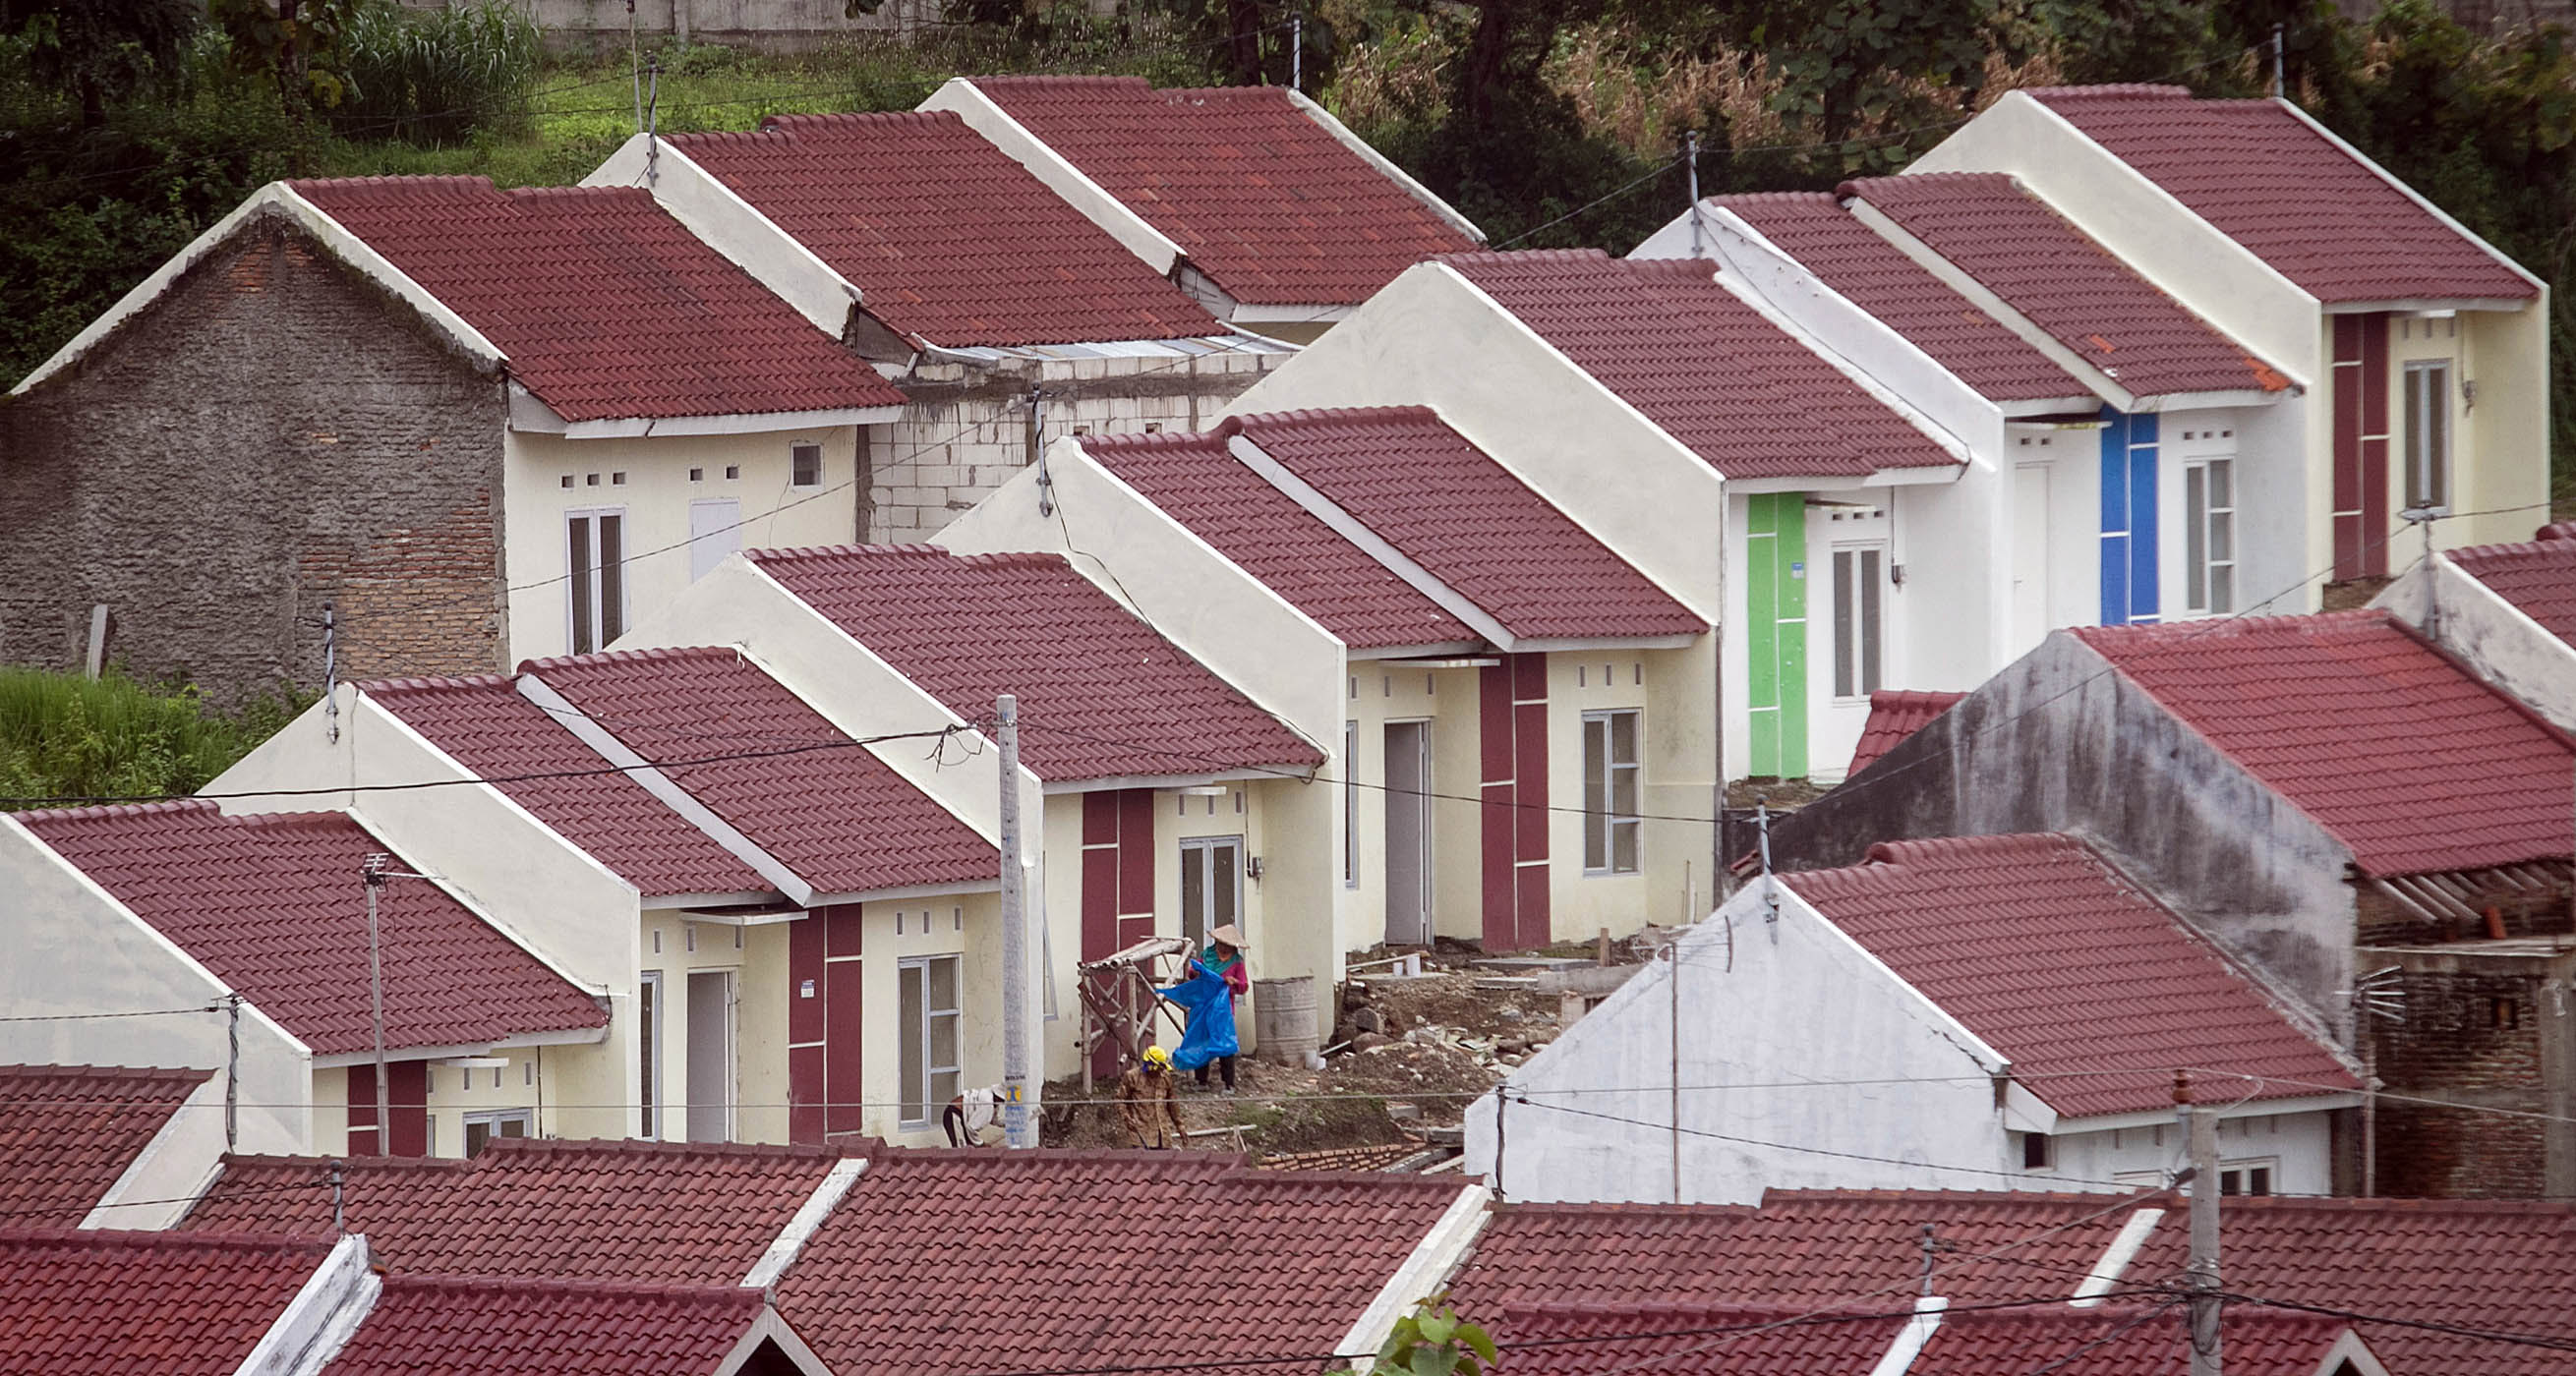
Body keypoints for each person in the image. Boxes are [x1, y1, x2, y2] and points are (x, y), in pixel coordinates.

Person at [1162, 925, 1249, 1093]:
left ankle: (1228, 1084)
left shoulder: (1237, 963)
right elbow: (1193, 972)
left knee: (1224, 1045)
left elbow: (1244, 986)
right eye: (1220, 944)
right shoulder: (1207, 956)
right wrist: (1196, 974)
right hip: (1203, 1006)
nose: (1223, 948)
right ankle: (1201, 1081)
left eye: (1227, 945)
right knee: (1201, 1041)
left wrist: (1234, 982)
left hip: (1223, 1010)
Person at [1117, 1045, 1185, 1148]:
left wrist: (1180, 1125)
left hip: (1162, 1136)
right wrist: (1127, 1118)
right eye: (1159, 1068)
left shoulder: (1165, 1077)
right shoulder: (1132, 1077)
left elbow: (1172, 1103)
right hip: (1140, 1136)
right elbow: (1120, 1100)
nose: (1160, 1071)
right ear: (1150, 1066)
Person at [942, 1083, 1004, 1147]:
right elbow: (971, 1128)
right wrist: (981, 1143)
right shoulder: (987, 1104)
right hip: (955, 1115)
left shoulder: (991, 1097)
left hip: (961, 1116)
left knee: (969, 1148)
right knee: (961, 1150)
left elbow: (994, 1120)